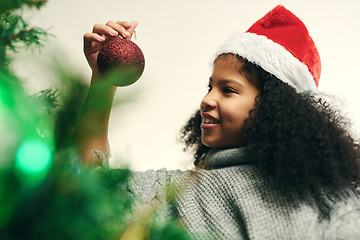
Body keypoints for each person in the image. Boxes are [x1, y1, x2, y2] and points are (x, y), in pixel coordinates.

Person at [75, 5, 360, 240]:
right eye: (209, 87)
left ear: (276, 107)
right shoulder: (176, 190)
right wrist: (103, 82)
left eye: (228, 90)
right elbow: (89, 190)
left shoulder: (330, 199)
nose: (207, 100)